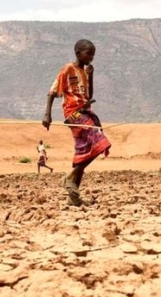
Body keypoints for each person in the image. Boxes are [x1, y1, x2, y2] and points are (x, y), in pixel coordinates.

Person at [42, 39, 111, 206]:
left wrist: (91, 76)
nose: (91, 57)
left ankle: (73, 198)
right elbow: (52, 92)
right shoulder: (68, 69)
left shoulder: (84, 71)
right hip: (74, 113)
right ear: (78, 53)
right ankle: (70, 177)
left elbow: (88, 96)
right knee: (101, 142)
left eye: (93, 55)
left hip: (86, 111)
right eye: (89, 54)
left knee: (85, 152)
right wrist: (47, 114)